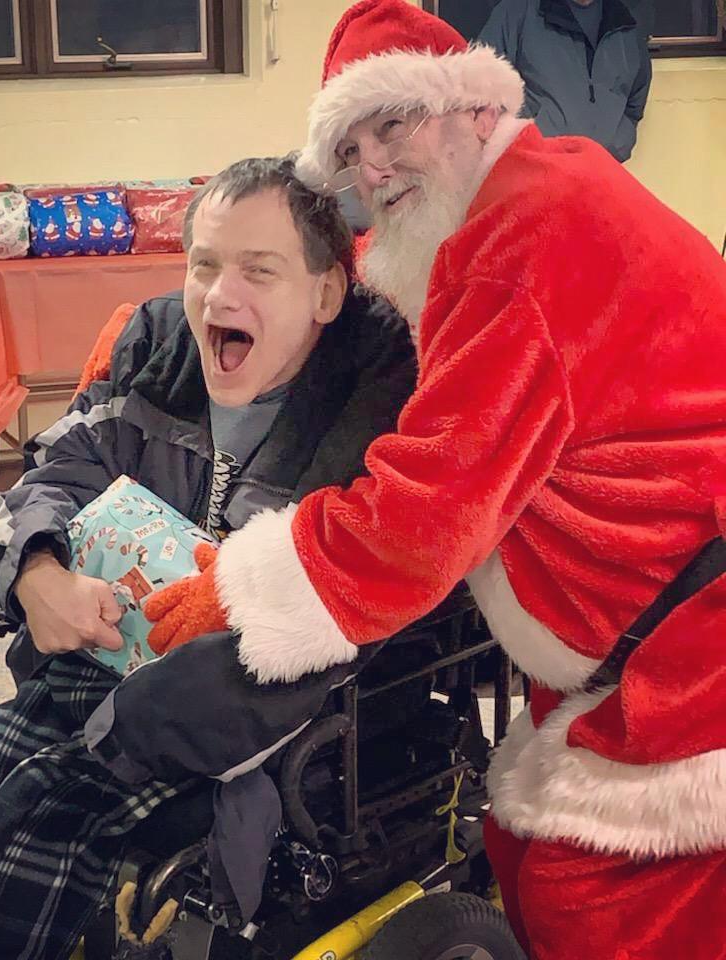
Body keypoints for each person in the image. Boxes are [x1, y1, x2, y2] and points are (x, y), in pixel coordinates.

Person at [144, 3, 726, 959]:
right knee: (520, 852)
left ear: (475, 107)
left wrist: (244, 589)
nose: (373, 167)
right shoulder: (531, 191)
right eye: (351, 151)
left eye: (394, 124)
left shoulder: (517, 250)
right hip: (640, 614)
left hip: (692, 646)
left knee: (598, 903)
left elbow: (426, 514)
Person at [0, 155, 418, 960]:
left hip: (259, 712)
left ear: (324, 294)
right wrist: (35, 571)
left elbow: (345, 605)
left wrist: (127, 727)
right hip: (111, 662)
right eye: (203, 265)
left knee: (41, 802)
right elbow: (57, 472)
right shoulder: (158, 348)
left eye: (258, 271)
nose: (219, 295)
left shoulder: (373, 402)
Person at [478, 0, 651, 162]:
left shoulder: (626, 23)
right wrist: (526, 145)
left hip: (601, 172)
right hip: (535, 169)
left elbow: (635, 100)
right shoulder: (517, 12)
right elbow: (482, 86)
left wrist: (619, 141)